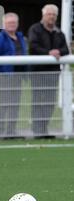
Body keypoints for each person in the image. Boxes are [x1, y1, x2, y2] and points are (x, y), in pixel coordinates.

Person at [28, 4, 69, 138]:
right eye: (49, 14)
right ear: (43, 15)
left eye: (53, 15)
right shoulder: (35, 29)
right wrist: (48, 53)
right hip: (38, 72)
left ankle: (44, 128)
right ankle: (37, 130)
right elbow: (33, 46)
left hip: (53, 73)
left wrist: (58, 52)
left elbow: (66, 50)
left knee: (50, 101)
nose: (51, 17)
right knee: (38, 100)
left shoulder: (59, 32)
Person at [0, 12, 28, 138]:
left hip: (18, 76)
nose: (12, 25)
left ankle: (11, 130)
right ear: (4, 24)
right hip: (5, 76)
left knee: (15, 104)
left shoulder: (20, 38)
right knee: (4, 103)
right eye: (9, 23)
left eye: (14, 23)